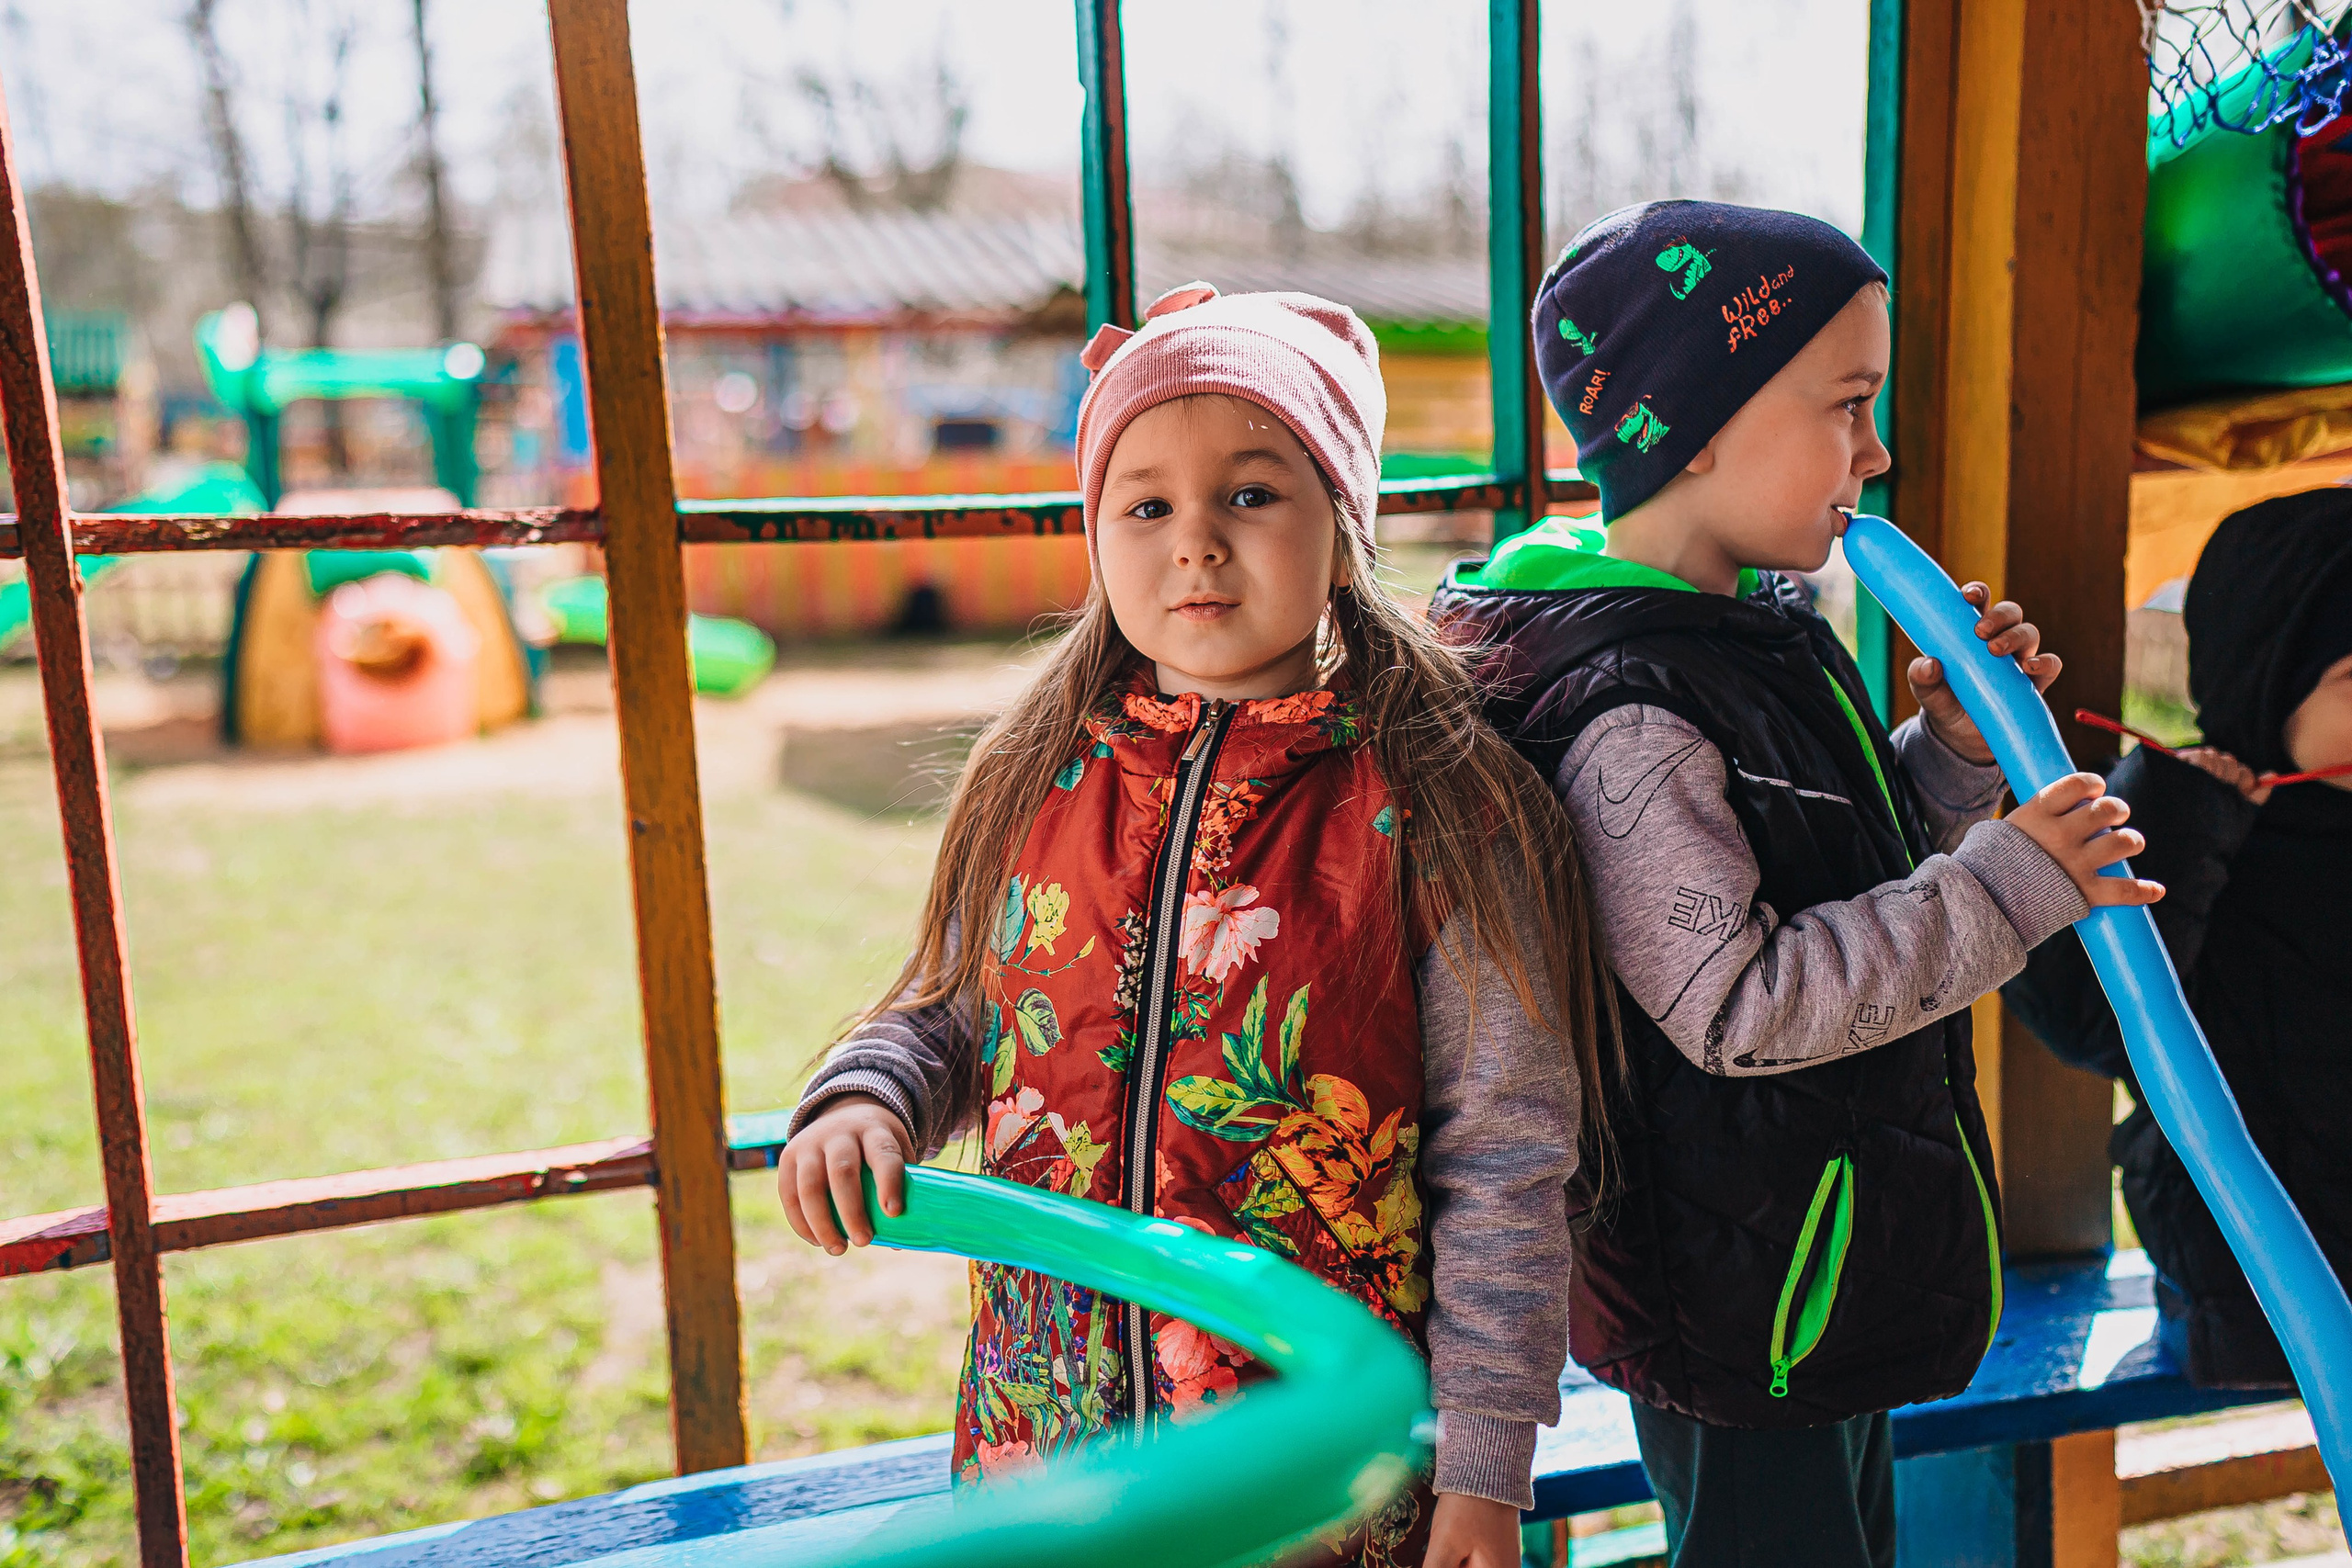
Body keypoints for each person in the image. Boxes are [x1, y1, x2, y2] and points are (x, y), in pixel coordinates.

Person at [775, 283, 1615, 1568]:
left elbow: (1505, 1163)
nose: (1197, 542)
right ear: (1098, 533)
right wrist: (867, 1097)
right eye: (1148, 502)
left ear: (1343, 528)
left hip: (1323, 1476)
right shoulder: (1036, 770)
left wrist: (1487, 1468)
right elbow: (954, 1008)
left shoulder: (1443, 802)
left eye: (1253, 492)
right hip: (1047, 1452)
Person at [1430, 201, 2157, 1568]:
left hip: (1812, 1248)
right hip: (1745, 1286)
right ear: (1692, 427)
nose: (1876, 453)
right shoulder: (1631, 709)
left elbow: (1825, 859)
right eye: (1848, 403)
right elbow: (1741, 996)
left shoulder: (1743, 630)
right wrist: (2008, 885)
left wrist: (1942, 757)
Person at [2005, 491, 2352, 1389]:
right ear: (2264, 677)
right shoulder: (2181, 826)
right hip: (2247, 1284)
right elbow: (2082, 1015)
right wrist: (2178, 814)